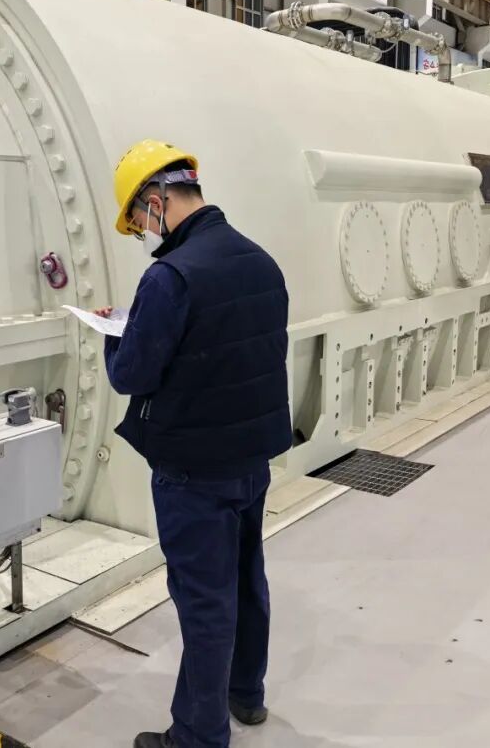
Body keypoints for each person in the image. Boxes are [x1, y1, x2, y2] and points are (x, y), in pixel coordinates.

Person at [98, 140, 292, 748]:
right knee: (246, 579)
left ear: (156, 201)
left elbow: (132, 375)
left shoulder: (170, 277)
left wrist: (114, 333)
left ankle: (198, 737)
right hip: (250, 461)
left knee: (204, 602)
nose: (144, 234)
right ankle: (246, 693)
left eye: (139, 221)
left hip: (192, 471)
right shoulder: (260, 261)